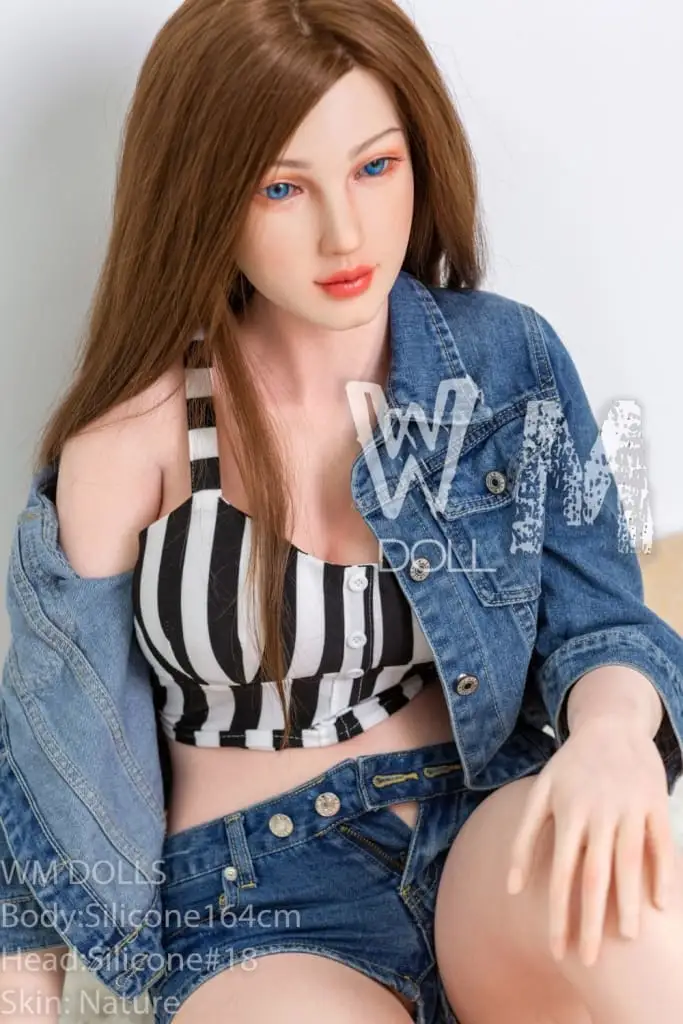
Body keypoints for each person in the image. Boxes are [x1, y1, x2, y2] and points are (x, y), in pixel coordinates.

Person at [2, 2, 683, 1023]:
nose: (345, 233)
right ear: (204, 195)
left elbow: (601, 621)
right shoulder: (130, 445)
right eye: (283, 187)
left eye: (374, 166)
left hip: (479, 830)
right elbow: (44, 759)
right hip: (256, 902)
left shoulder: (504, 364)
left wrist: (614, 733)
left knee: (633, 922)